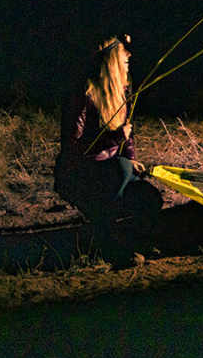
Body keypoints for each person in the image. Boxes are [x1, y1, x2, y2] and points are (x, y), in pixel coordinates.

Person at [54, 34, 162, 223]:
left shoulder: (122, 92)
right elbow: (72, 148)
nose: (129, 55)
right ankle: (100, 217)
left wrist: (132, 158)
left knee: (151, 198)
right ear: (111, 58)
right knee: (121, 168)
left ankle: (110, 215)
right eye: (123, 51)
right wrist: (114, 139)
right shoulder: (85, 94)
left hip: (109, 171)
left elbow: (126, 134)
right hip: (80, 174)